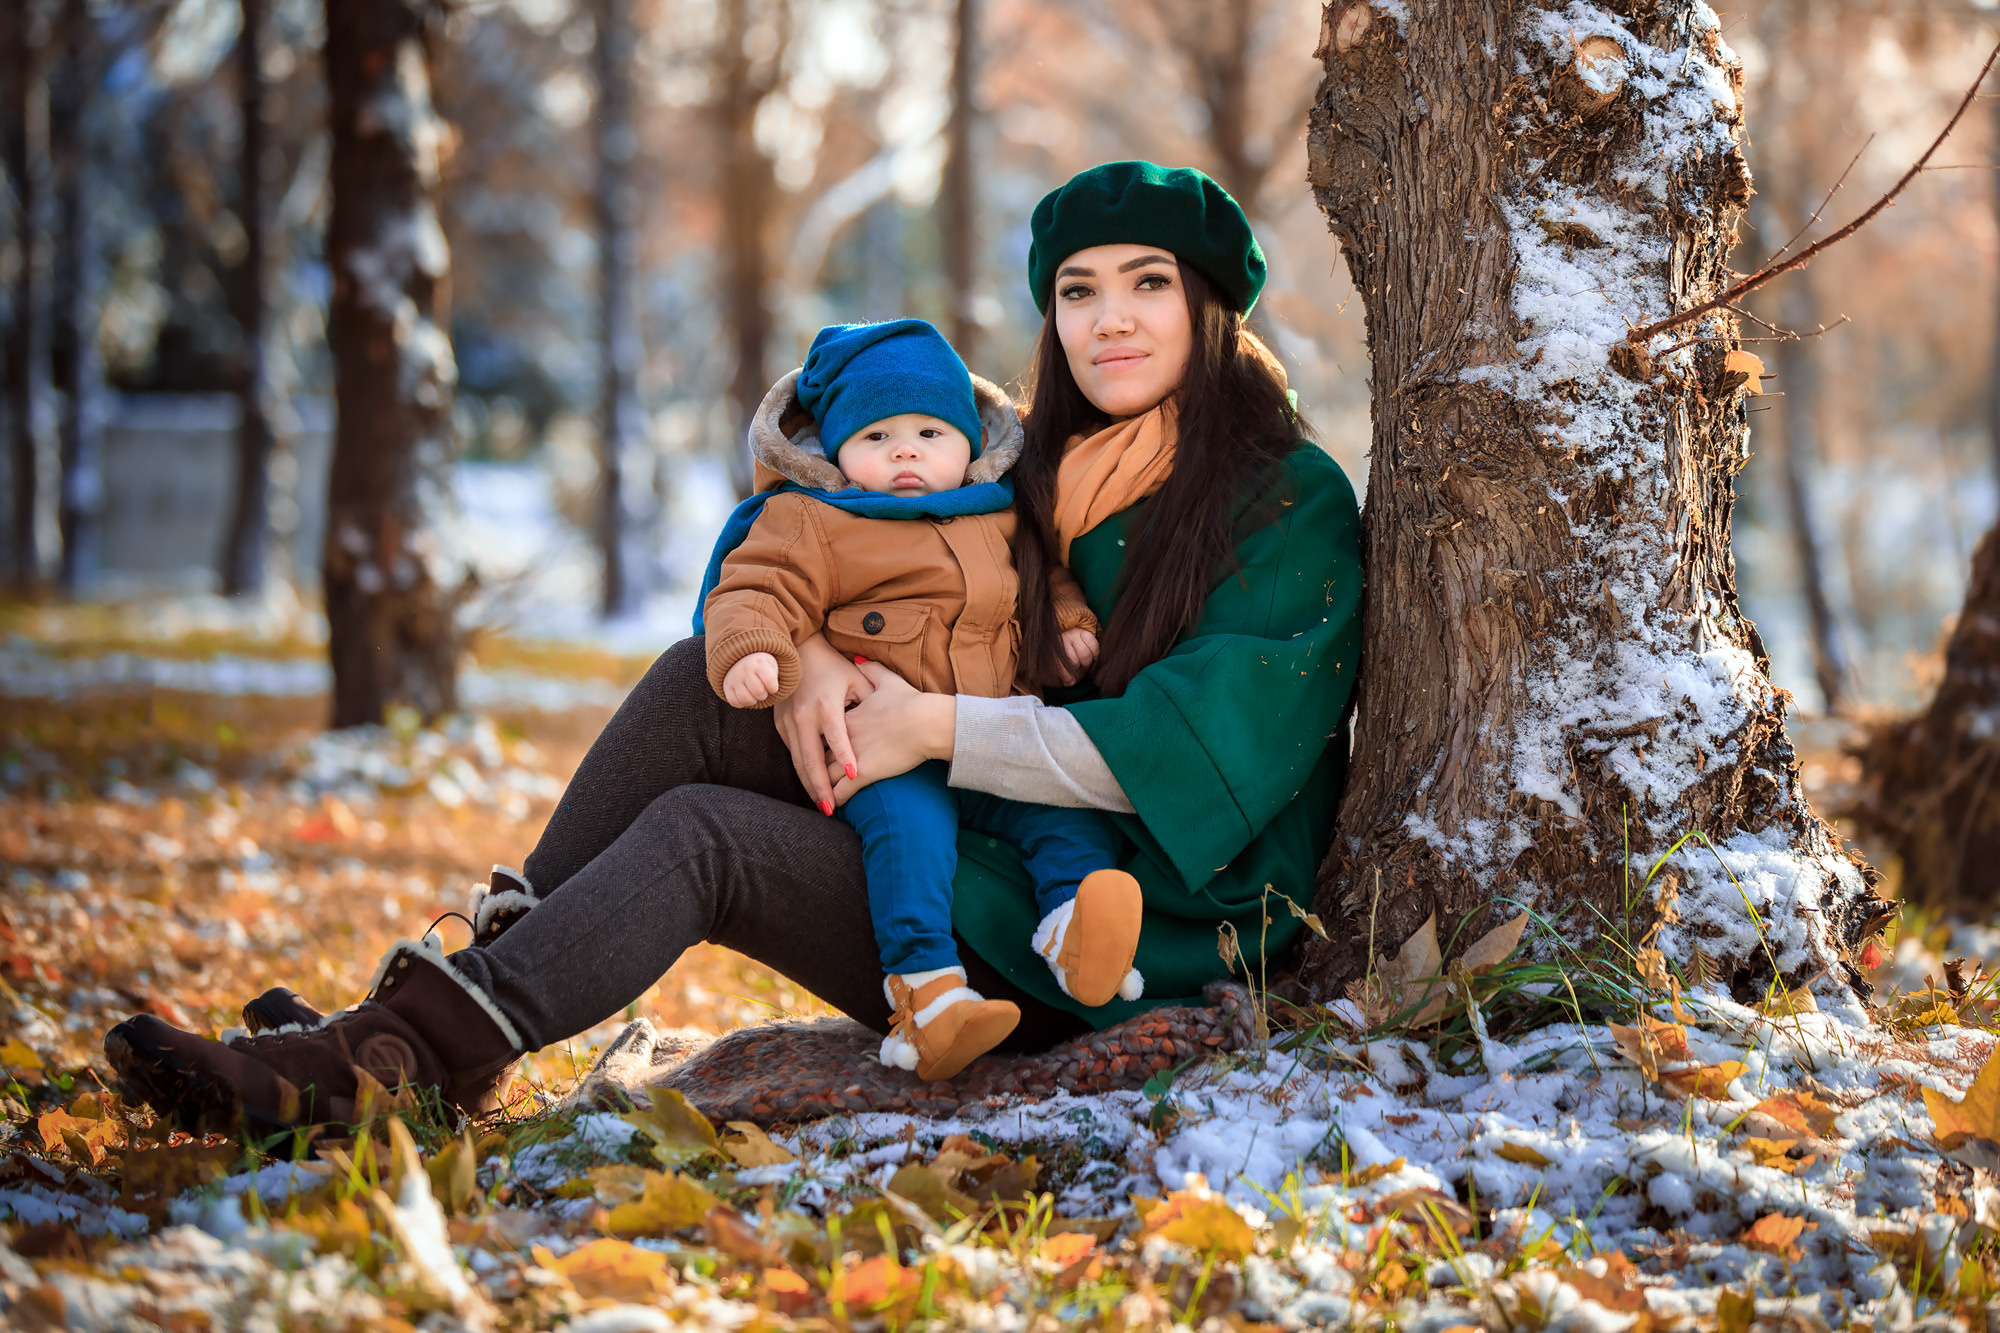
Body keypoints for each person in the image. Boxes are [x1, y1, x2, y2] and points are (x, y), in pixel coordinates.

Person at [102, 160, 1363, 1137]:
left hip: (1113, 931)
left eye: (1148, 283)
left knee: (702, 835)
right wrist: (806, 660)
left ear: (1210, 304)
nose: (1109, 320)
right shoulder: (1017, 470)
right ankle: (426, 1028)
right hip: (960, 839)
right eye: (1077, 290)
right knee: (695, 686)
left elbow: (1187, 748)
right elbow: (797, 546)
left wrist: (925, 725)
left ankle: (388, 1061)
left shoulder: (1282, 497)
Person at [701, 317, 1145, 1082]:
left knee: (1062, 813)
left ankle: (1076, 928)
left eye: (930, 433)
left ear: (969, 445)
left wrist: (1066, 626)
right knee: (912, 843)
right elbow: (753, 586)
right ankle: (927, 990)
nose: (905, 452)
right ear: (834, 450)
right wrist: (754, 650)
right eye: (876, 437)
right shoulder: (815, 520)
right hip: (882, 749)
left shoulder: (997, 510)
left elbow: (1039, 581)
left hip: (985, 733)